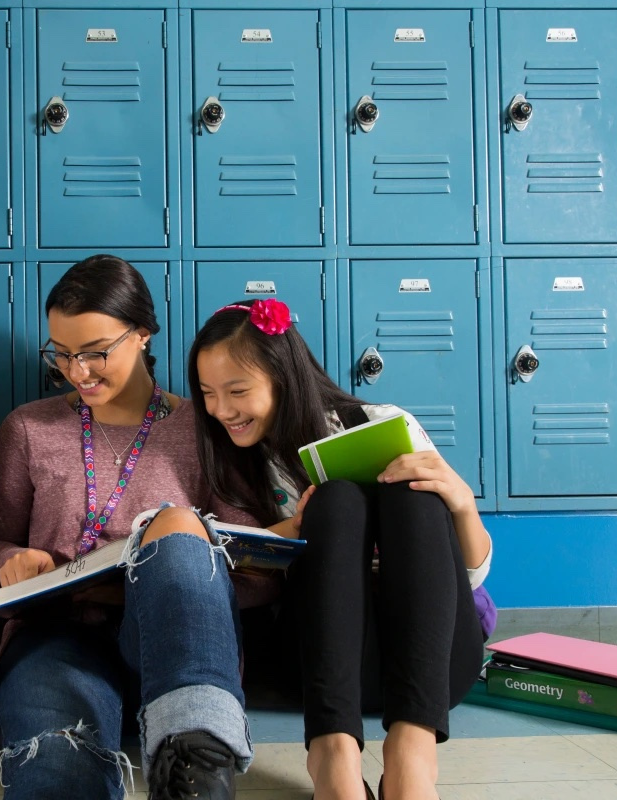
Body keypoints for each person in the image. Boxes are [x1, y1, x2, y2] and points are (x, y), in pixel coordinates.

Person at [0, 254, 280, 800]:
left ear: (143, 334)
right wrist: (10, 561)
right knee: (56, 762)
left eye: (96, 352)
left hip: (175, 639)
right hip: (56, 635)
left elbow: (257, 568)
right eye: (63, 354)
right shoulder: (28, 429)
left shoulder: (207, 426)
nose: (79, 371)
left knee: (175, 531)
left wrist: (168, 565)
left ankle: (197, 759)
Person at [185, 298, 497, 800]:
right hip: (321, 666)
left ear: (283, 377)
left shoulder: (383, 421)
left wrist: (461, 503)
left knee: (413, 492)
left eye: (237, 391)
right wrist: (295, 528)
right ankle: (332, 759)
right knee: (335, 502)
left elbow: (473, 580)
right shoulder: (228, 464)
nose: (221, 410)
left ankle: (411, 759)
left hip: (429, 666)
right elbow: (221, 563)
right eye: (207, 394)